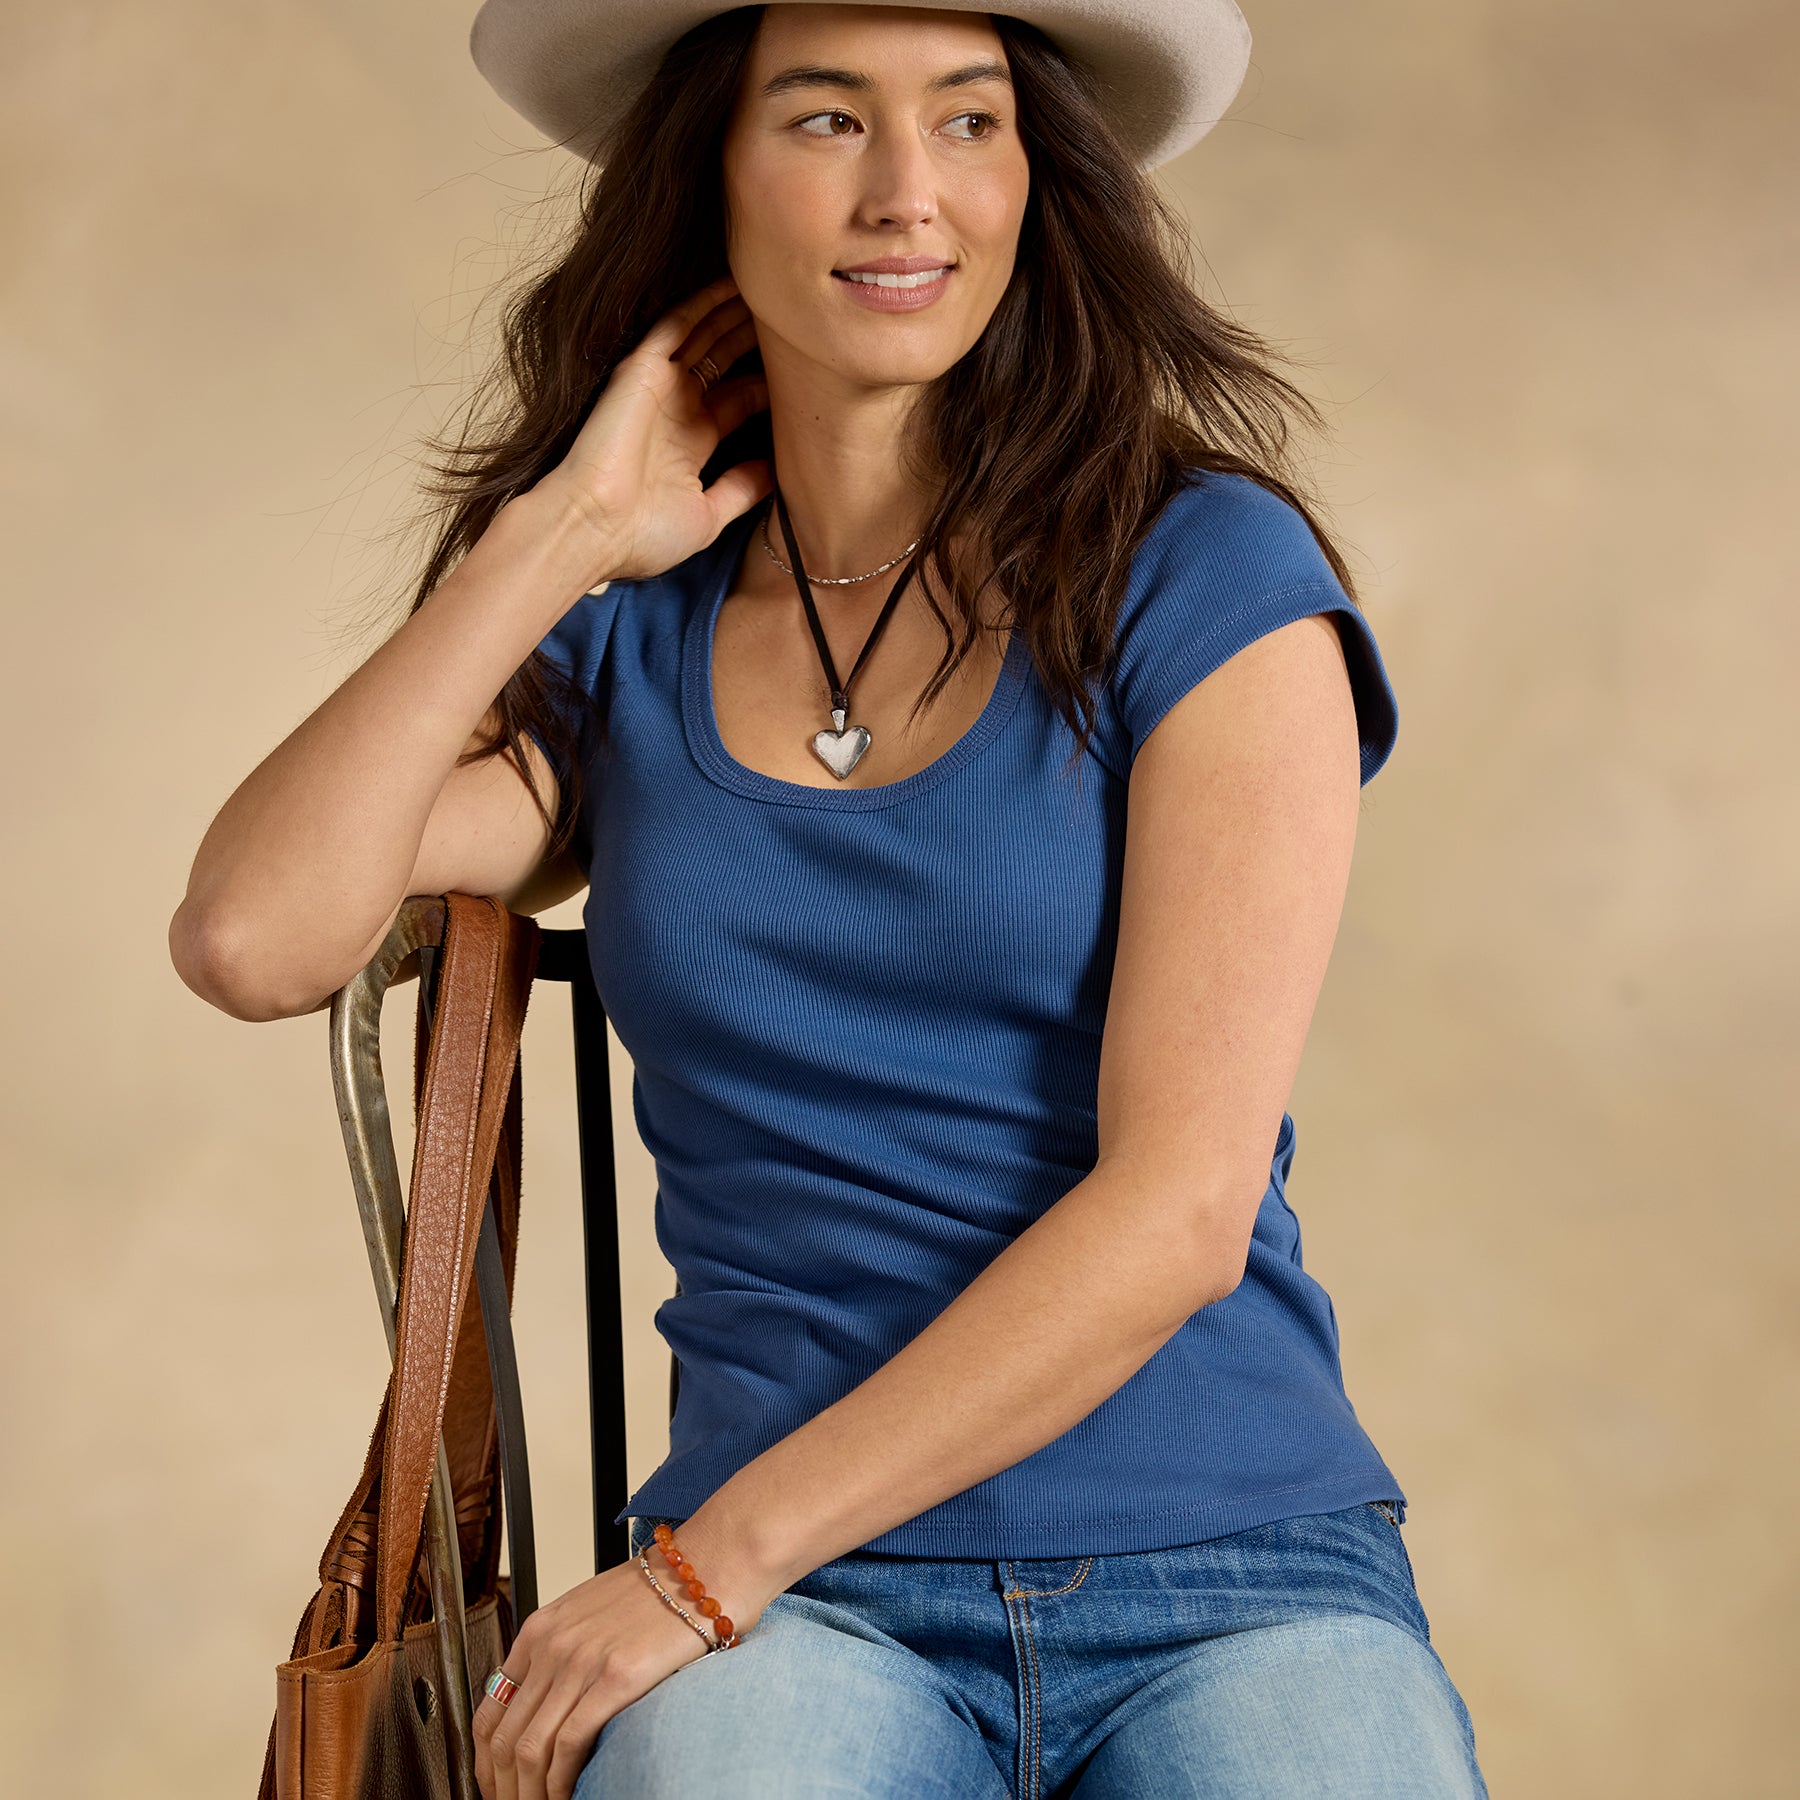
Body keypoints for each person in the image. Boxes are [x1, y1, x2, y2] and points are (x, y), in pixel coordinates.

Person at [171, 3, 1490, 1796]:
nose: (906, 193)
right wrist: (562, 534)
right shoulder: (636, 642)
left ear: (1037, 180)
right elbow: (255, 935)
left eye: (968, 121)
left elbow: (1180, 1211)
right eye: (824, 119)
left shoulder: (1202, 574)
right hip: (798, 1617)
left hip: (1225, 1567)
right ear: (706, 176)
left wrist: (701, 1569)